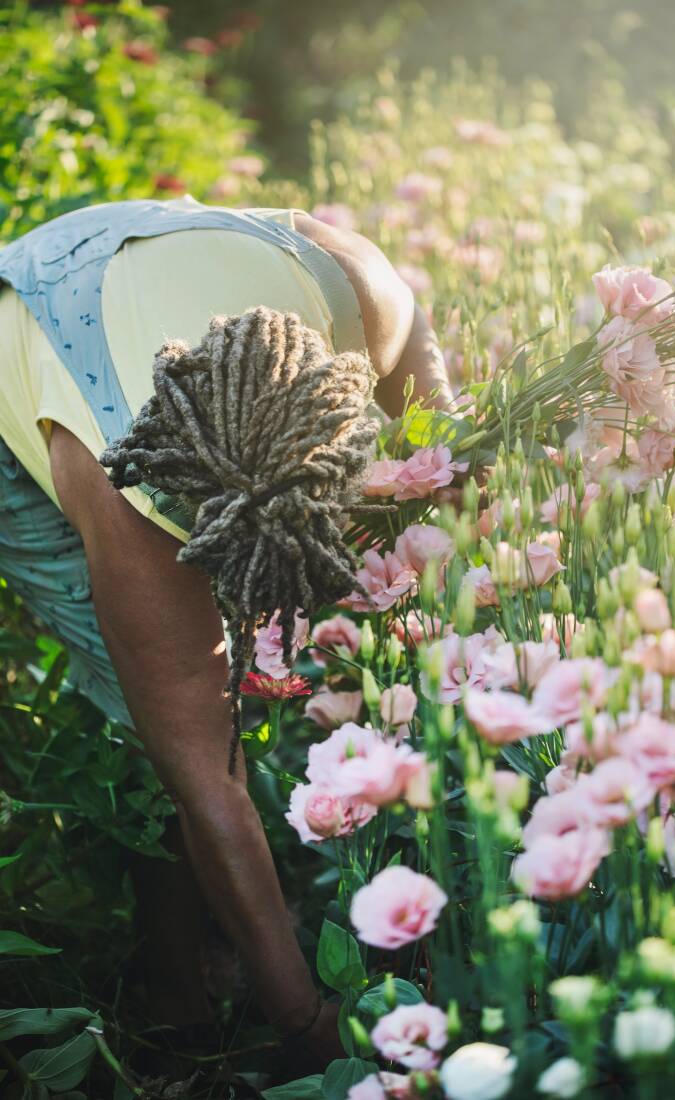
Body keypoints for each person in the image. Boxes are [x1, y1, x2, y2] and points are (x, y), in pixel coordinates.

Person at [0, 196, 452, 1087]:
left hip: (178, 244)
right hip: (30, 335)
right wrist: (298, 1012)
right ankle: (172, 986)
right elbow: (206, 778)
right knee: (152, 716)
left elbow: (447, 458)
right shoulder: (121, 489)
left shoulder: (362, 296)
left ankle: (210, 945)